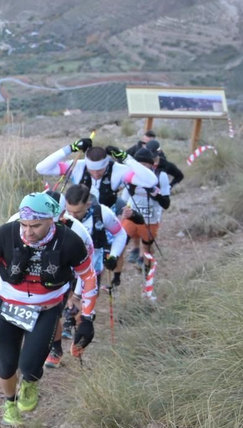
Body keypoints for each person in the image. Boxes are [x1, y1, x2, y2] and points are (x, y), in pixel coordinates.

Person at [0, 192, 98, 427]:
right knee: (6, 365)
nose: (27, 232)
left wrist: (87, 317)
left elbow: (89, 277)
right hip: (9, 306)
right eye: (24, 225)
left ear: (52, 220)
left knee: (29, 366)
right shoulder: (6, 232)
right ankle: (9, 402)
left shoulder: (70, 240)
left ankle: (30, 382)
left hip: (45, 308)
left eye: (35, 225)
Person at [46, 184, 126, 368]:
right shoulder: (62, 220)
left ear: (88, 203)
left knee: (82, 306)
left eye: (78, 212)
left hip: (91, 267)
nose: (72, 217)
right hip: (65, 268)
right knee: (57, 307)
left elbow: (120, 234)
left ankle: (79, 338)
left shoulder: (102, 213)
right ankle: (56, 347)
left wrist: (114, 255)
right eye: (69, 212)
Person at [36, 136, 157, 212]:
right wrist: (71, 148)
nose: (95, 174)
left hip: (107, 218)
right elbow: (41, 168)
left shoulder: (118, 170)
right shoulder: (77, 166)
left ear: (106, 164)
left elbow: (151, 181)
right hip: (78, 217)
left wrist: (126, 158)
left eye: (99, 170)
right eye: (91, 170)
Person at [117, 143, 172, 301]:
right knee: (120, 244)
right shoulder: (131, 176)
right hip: (132, 217)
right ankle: (116, 279)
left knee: (147, 248)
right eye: (138, 166)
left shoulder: (160, 176)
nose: (141, 169)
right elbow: (123, 201)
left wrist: (154, 192)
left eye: (144, 166)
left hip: (151, 219)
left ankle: (147, 283)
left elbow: (166, 204)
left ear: (151, 164)